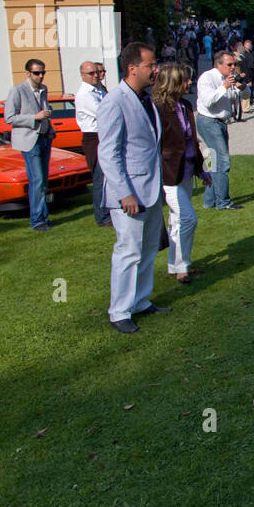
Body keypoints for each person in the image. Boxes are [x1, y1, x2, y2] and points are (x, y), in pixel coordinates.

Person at [99, 42, 169, 334]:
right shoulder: (115, 101)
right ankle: (119, 310)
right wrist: (124, 192)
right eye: (150, 65)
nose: (155, 70)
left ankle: (140, 300)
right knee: (128, 251)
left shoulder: (144, 99)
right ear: (132, 68)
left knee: (148, 248)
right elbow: (108, 153)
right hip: (129, 192)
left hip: (149, 187)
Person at [153, 63, 210, 285]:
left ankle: (177, 266)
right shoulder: (158, 108)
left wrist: (203, 170)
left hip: (186, 170)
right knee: (188, 218)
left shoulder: (185, 105)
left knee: (178, 220)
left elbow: (193, 141)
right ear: (173, 82)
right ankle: (181, 265)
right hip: (168, 174)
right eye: (185, 80)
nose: (189, 83)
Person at [3, 58, 56, 231]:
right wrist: (34, 117)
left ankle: (43, 217)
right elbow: (9, 117)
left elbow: (44, 111)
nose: (40, 76)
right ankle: (37, 220)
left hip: (44, 137)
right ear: (27, 73)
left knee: (43, 181)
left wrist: (49, 129)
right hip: (29, 140)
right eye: (36, 73)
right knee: (37, 180)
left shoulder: (43, 89)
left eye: (43, 72)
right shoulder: (17, 91)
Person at [195, 50, 243, 211]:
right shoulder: (207, 78)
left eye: (234, 64)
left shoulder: (229, 79)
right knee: (222, 162)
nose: (232, 67)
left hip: (221, 122)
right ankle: (223, 201)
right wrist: (224, 86)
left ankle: (209, 200)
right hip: (209, 121)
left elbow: (242, 95)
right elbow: (208, 101)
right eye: (229, 64)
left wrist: (241, 86)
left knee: (214, 163)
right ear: (219, 64)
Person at [74, 59, 111, 226]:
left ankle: (108, 211)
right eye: (91, 73)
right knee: (100, 178)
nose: (96, 75)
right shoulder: (85, 94)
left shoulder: (98, 90)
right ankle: (102, 216)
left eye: (97, 72)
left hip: (102, 135)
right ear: (83, 75)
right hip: (93, 137)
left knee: (107, 176)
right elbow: (104, 112)